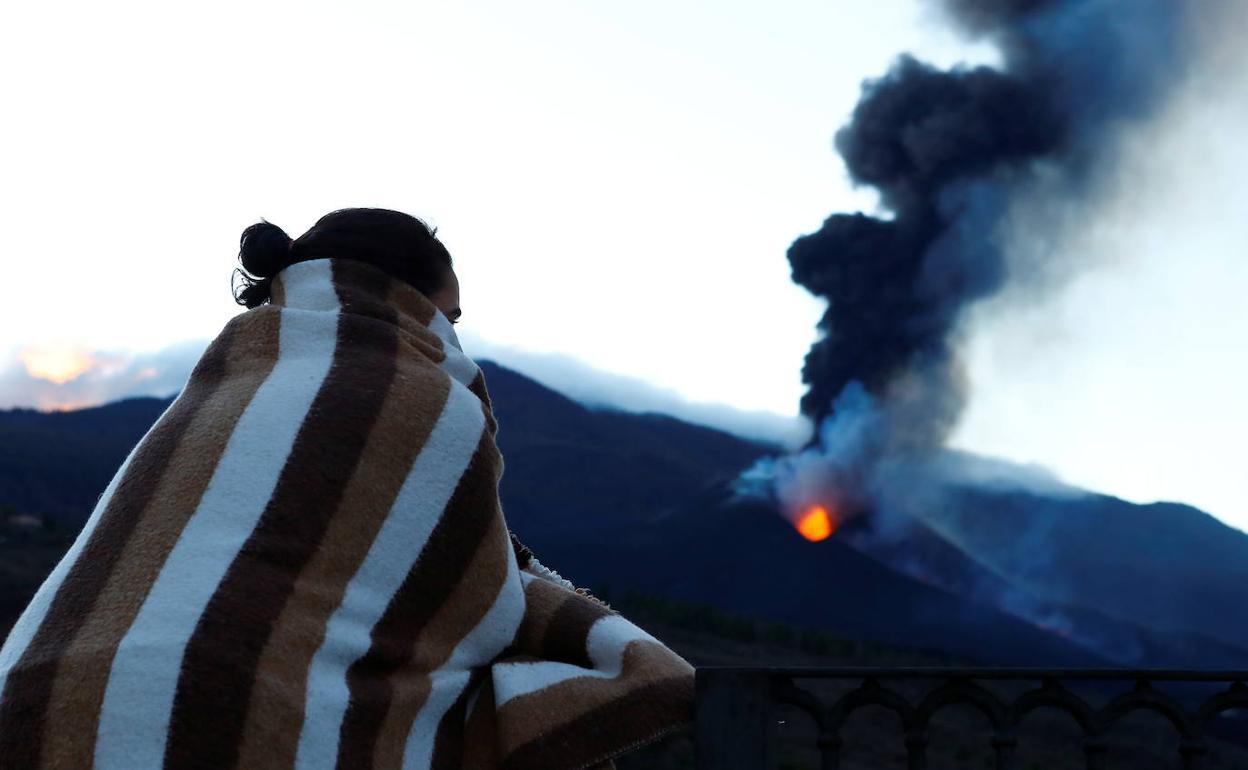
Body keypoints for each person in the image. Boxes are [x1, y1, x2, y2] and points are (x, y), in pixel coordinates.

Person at [0, 208, 694, 769]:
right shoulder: (429, 400)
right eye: (451, 316)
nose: (454, 337)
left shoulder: (212, 393)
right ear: (414, 302)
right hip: (224, 715)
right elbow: (478, 609)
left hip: (36, 699)